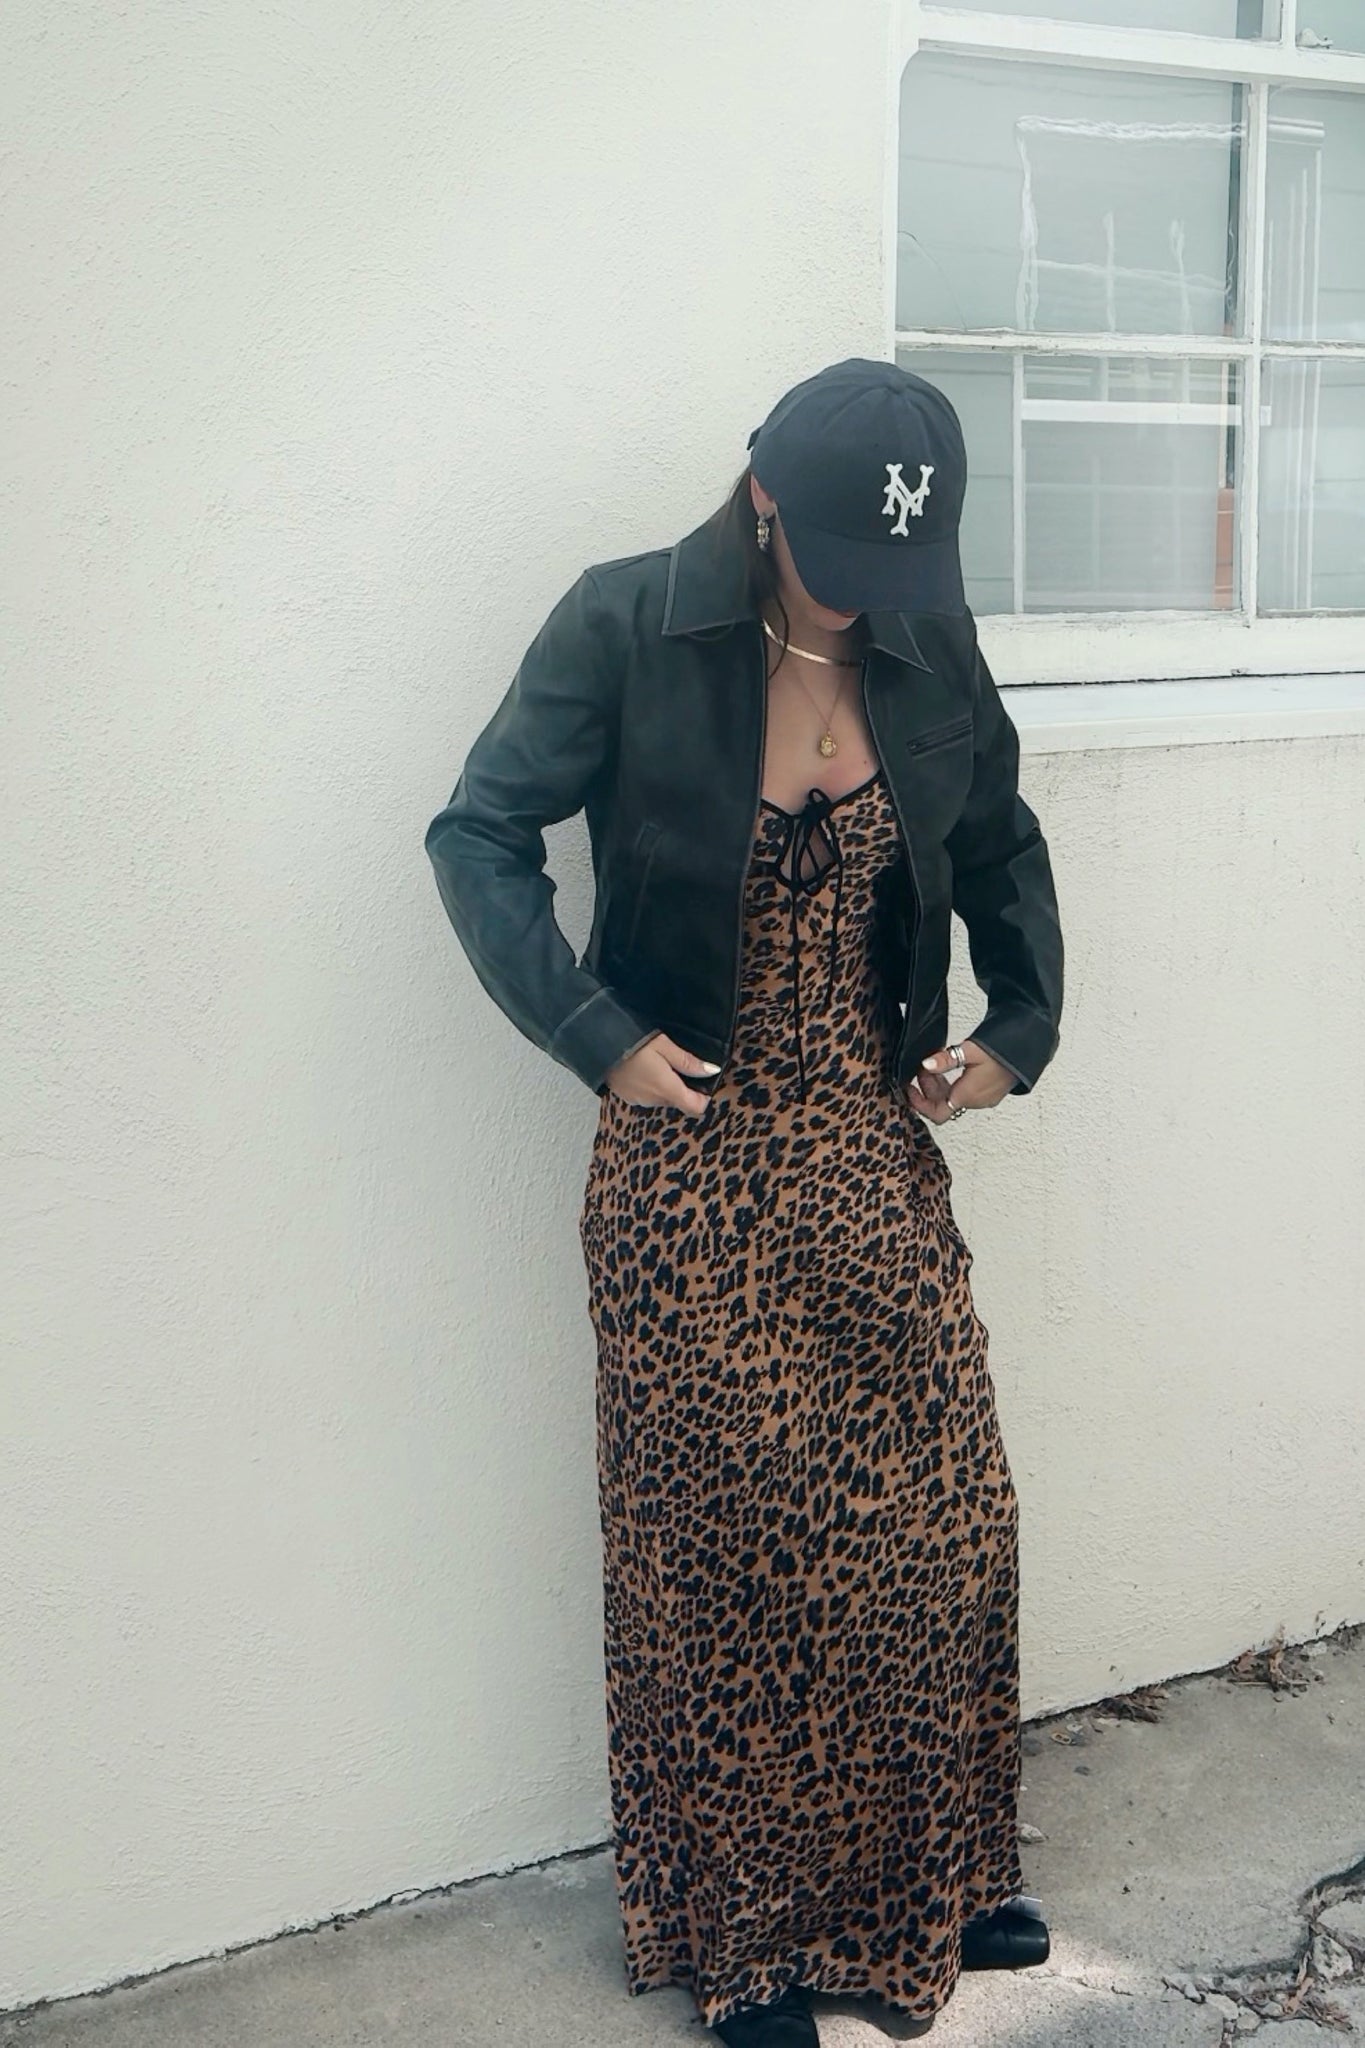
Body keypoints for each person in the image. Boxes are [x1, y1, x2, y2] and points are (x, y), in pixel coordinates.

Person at [425, 358, 1065, 2046]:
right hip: (686, 1164)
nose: (868, 591)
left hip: (864, 1144)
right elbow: (477, 833)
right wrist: (594, 1033)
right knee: (727, 1562)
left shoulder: (924, 638)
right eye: (842, 551)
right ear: (764, 493)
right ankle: (755, 1944)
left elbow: (1000, 842)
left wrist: (1011, 1034)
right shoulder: (627, 625)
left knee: (943, 1519)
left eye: (897, 560)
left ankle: (935, 1874)